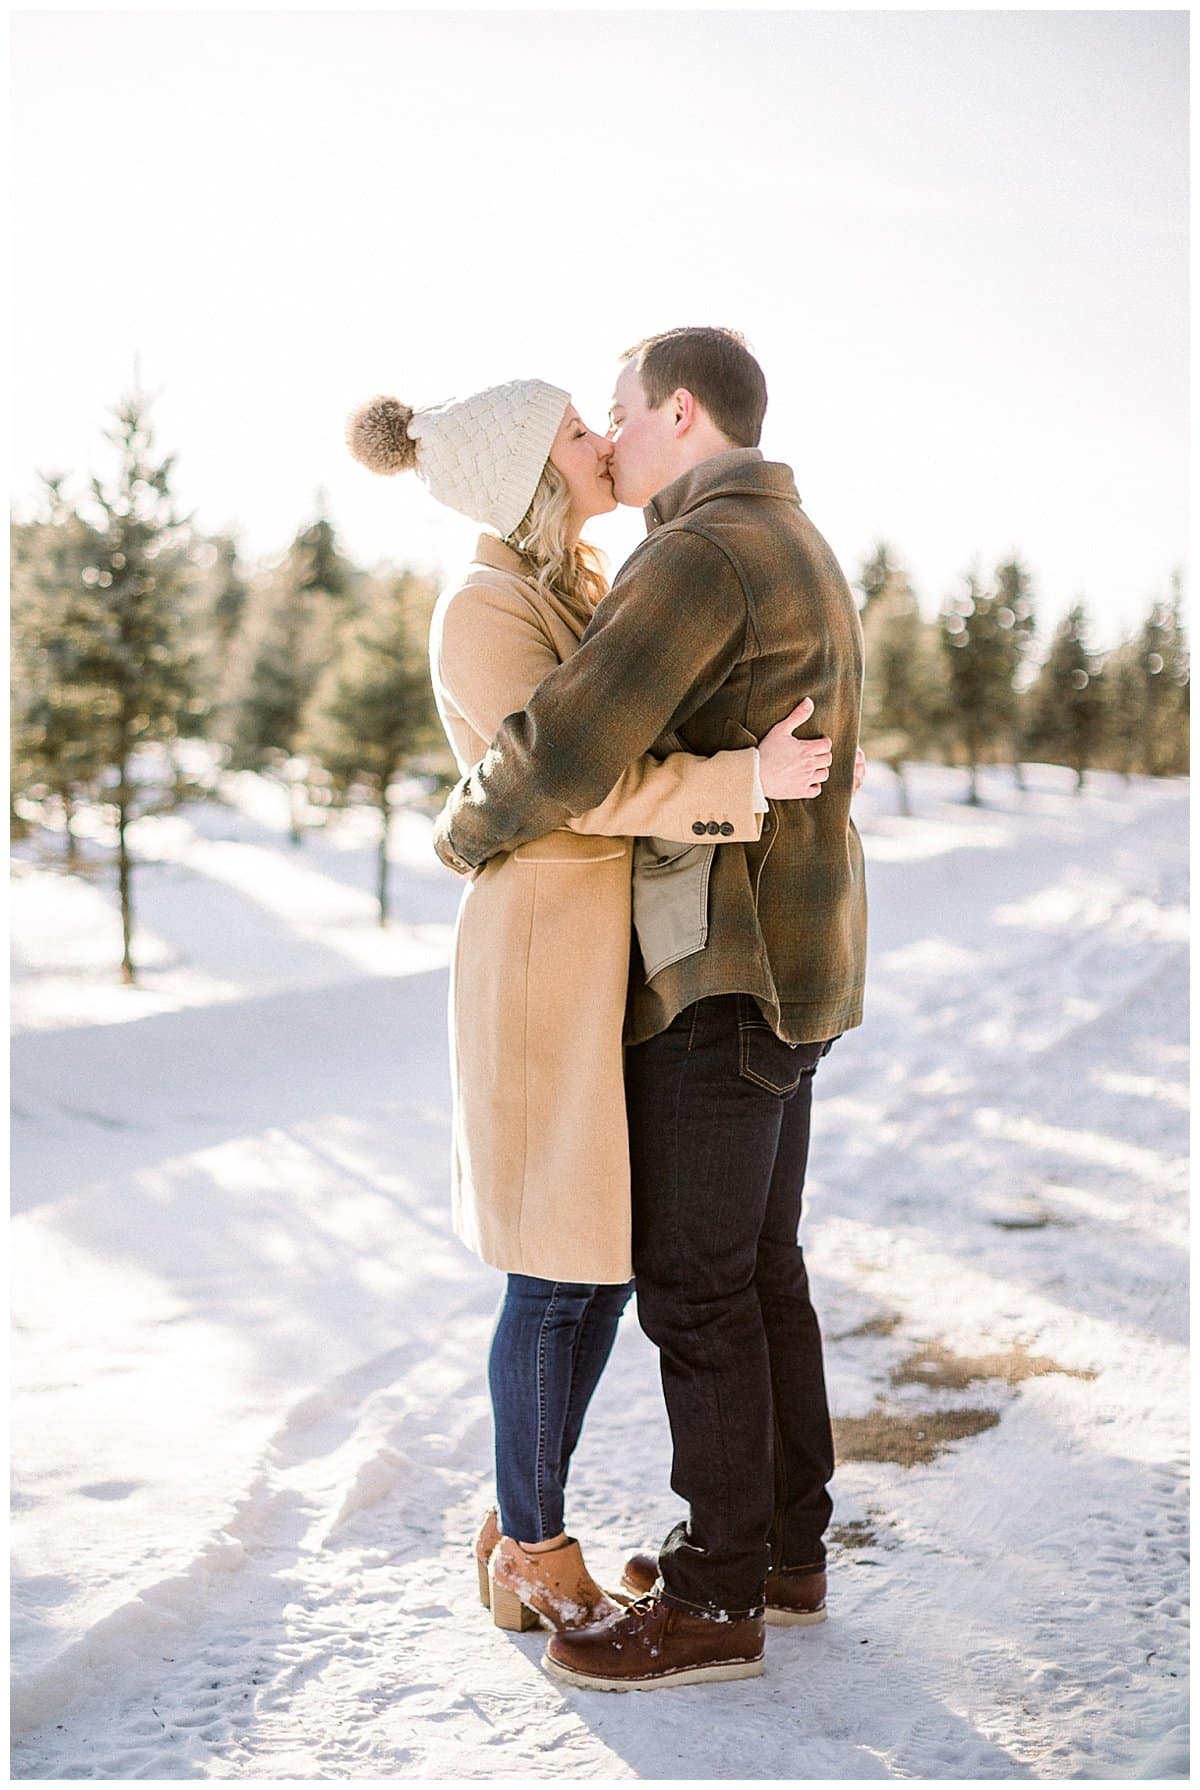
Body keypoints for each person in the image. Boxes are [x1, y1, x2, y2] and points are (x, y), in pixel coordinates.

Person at [345, 376, 844, 1637]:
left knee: (602, 1269)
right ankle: (531, 1538)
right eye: (576, 428)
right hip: (540, 961)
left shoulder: (575, 583)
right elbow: (569, 776)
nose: (598, 439)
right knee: (557, 1272)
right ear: (527, 469)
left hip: (604, 957)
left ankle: (519, 1519)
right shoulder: (486, 602)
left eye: (599, 413)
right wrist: (747, 776)